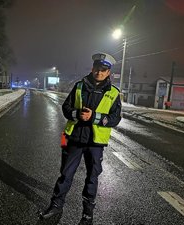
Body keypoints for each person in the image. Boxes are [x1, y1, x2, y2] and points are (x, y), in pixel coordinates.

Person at [39, 52, 122, 225]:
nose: (99, 73)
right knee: (65, 175)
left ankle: (87, 215)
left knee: (92, 178)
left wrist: (94, 117)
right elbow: (66, 107)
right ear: (92, 69)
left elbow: (115, 119)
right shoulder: (79, 86)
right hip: (75, 139)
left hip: (95, 143)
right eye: (97, 69)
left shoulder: (114, 93)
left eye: (103, 70)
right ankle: (56, 206)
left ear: (108, 73)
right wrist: (77, 114)